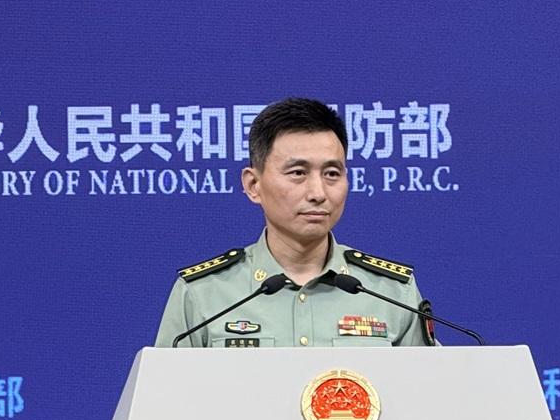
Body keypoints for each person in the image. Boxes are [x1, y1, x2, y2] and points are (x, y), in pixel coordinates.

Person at [153, 97, 436, 348]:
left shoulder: (391, 291)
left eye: (332, 174)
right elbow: (164, 391)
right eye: (298, 173)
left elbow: (428, 387)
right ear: (253, 185)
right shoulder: (203, 293)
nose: (318, 193)